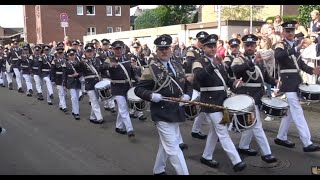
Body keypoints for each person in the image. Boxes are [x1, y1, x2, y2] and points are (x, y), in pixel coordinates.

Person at [134, 34, 193, 175]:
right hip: (161, 112)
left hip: (176, 110)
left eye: (166, 48)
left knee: (165, 144)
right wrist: (151, 96)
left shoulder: (178, 64)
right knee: (173, 148)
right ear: (157, 51)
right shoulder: (151, 69)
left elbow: (187, 84)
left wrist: (187, 95)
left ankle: (158, 169)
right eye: (161, 49)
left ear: (171, 49)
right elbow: (138, 89)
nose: (164, 51)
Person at [193, 34, 246, 172]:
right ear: (203, 47)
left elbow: (226, 80)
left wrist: (234, 83)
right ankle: (237, 161)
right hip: (210, 103)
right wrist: (212, 65)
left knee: (215, 131)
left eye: (214, 46)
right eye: (209, 46)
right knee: (222, 131)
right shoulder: (199, 61)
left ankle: (206, 156)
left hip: (222, 102)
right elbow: (198, 77)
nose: (212, 48)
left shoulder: (219, 61)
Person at [231, 34, 278, 163]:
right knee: (257, 125)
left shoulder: (259, 59)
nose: (250, 47)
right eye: (247, 45)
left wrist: (275, 81)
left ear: (256, 45)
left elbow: (265, 77)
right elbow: (236, 70)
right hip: (247, 95)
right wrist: (252, 62)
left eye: (252, 45)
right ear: (243, 46)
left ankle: (243, 146)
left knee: (251, 123)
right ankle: (267, 153)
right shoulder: (239, 59)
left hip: (258, 95)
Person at [274, 20, 320, 152]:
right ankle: (307, 142)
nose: (290, 33)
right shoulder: (280, 44)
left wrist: (312, 70)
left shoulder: (294, 45)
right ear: (283, 33)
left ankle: (281, 137)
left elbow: (300, 64)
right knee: (298, 111)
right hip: (287, 82)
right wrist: (296, 49)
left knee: (289, 112)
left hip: (295, 81)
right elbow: (278, 56)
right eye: (287, 31)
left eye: (292, 31)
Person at [102, 40, 138, 138]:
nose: (118, 50)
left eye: (120, 48)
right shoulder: (110, 59)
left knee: (124, 108)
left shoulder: (128, 58)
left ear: (123, 48)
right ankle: (130, 129)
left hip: (127, 86)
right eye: (116, 48)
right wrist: (110, 65)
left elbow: (133, 73)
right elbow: (102, 68)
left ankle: (118, 126)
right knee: (122, 107)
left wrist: (137, 80)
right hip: (117, 87)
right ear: (113, 49)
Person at [79, 43, 105, 124]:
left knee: (97, 100)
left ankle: (92, 117)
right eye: (88, 51)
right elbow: (78, 69)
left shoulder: (97, 60)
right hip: (89, 84)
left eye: (91, 51)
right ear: (85, 52)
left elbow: (101, 70)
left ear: (94, 51)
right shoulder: (82, 62)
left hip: (97, 83)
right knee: (94, 100)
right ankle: (99, 117)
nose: (89, 53)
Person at [64, 49, 82, 120]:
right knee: (74, 97)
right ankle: (76, 113)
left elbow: (82, 72)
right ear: (68, 56)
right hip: (70, 81)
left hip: (77, 81)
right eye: (70, 55)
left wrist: (78, 74)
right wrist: (64, 84)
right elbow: (64, 74)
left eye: (73, 55)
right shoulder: (66, 64)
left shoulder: (78, 63)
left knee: (76, 97)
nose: (72, 57)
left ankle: (74, 110)